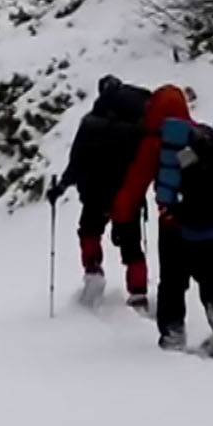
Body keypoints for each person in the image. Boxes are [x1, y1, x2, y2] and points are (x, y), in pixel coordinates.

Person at [110, 84, 213, 353]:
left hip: (174, 225)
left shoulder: (158, 142)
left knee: (172, 283)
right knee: (211, 273)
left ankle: (173, 334)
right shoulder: (207, 135)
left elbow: (134, 187)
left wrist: (121, 219)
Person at [47, 75, 151, 309]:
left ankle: (93, 271)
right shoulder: (137, 128)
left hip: (94, 193)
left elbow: (76, 162)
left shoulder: (90, 123)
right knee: (132, 246)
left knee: (89, 232)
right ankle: (138, 293)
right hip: (127, 195)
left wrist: (61, 187)